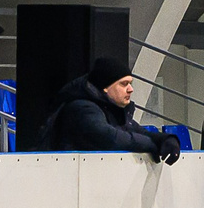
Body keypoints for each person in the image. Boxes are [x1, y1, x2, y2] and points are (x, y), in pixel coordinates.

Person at [44, 58, 180, 162]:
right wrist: (152, 146)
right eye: (124, 84)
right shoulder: (82, 108)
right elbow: (109, 138)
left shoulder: (112, 109)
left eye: (130, 83)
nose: (130, 89)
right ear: (105, 87)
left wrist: (167, 140)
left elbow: (137, 132)